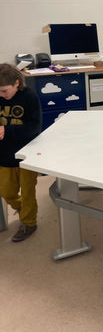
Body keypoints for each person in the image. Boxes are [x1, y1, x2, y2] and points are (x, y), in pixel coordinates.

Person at [0, 63, 41, 242]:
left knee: (28, 193)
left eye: (4, 91)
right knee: (7, 192)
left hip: (26, 154)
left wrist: (6, 130)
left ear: (17, 83)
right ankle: (23, 209)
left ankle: (29, 222)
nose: (1, 95)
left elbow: (35, 128)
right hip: (4, 155)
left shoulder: (29, 97)